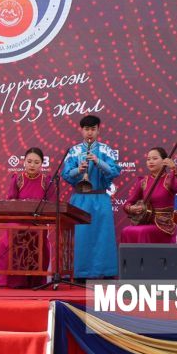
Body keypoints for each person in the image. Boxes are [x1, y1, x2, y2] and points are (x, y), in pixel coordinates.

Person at [62, 115, 121, 279]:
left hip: (100, 198)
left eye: (93, 129)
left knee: (103, 236)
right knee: (81, 237)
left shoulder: (105, 150)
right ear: (81, 130)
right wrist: (79, 170)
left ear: (98, 130)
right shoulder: (74, 151)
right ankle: (79, 273)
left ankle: (105, 272)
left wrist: (97, 161)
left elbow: (114, 171)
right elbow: (66, 174)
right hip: (80, 199)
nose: (90, 133)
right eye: (86, 129)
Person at [0, 147, 56, 288]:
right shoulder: (18, 179)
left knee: (39, 238)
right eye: (29, 161)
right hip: (18, 220)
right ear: (24, 162)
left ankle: (35, 280)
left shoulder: (46, 181)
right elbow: (11, 201)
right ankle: (15, 280)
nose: (32, 165)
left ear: (42, 164)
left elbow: (52, 204)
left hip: (38, 222)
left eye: (36, 162)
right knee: (11, 236)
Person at [121, 147, 177, 244]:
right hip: (145, 221)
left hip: (164, 225)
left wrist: (175, 169)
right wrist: (131, 208)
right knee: (126, 231)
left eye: (155, 158)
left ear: (164, 161)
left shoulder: (169, 179)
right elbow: (128, 203)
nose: (151, 161)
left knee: (142, 232)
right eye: (148, 159)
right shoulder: (143, 182)